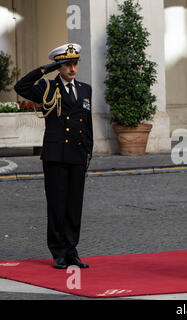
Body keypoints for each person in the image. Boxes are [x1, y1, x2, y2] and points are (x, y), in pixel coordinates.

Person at [14, 43, 93, 269]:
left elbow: (86, 122)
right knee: (57, 205)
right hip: (56, 155)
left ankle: (72, 250)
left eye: (75, 63)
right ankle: (58, 252)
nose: (72, 68)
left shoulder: (85, 89)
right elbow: (21, 86)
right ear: (59, 66)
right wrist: (45, 69)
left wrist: (89, 148)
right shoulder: (47, 87)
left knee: (74, 206)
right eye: (67, 64)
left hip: (78, 154)